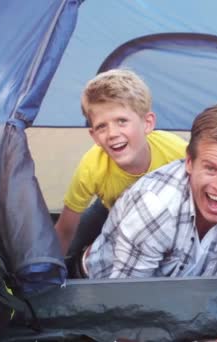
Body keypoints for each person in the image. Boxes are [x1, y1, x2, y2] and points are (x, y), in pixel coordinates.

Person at [84, 103, 217, 278]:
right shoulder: (155, 207)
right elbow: (125, 299)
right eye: (211, 169)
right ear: (189, 163)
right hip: (97, 291)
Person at [54, 69, 188, 263]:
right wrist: (48, 273)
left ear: (147, 123)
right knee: (73, 247)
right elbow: (65, 228)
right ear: (93, 136)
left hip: (167, 217)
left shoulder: (178, 153)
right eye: (102, 126)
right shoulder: (92, 167)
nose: (112, 133)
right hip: (111, 209)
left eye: (122, 121)